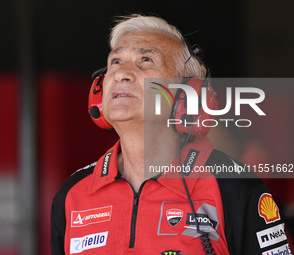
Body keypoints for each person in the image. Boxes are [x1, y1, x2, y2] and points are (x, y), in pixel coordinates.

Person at [51, 14, 291, 255]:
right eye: (116, 61)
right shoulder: (73, 194)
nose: (122, 73)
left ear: (188, 96)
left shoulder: (235, 188)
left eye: (146, 60)